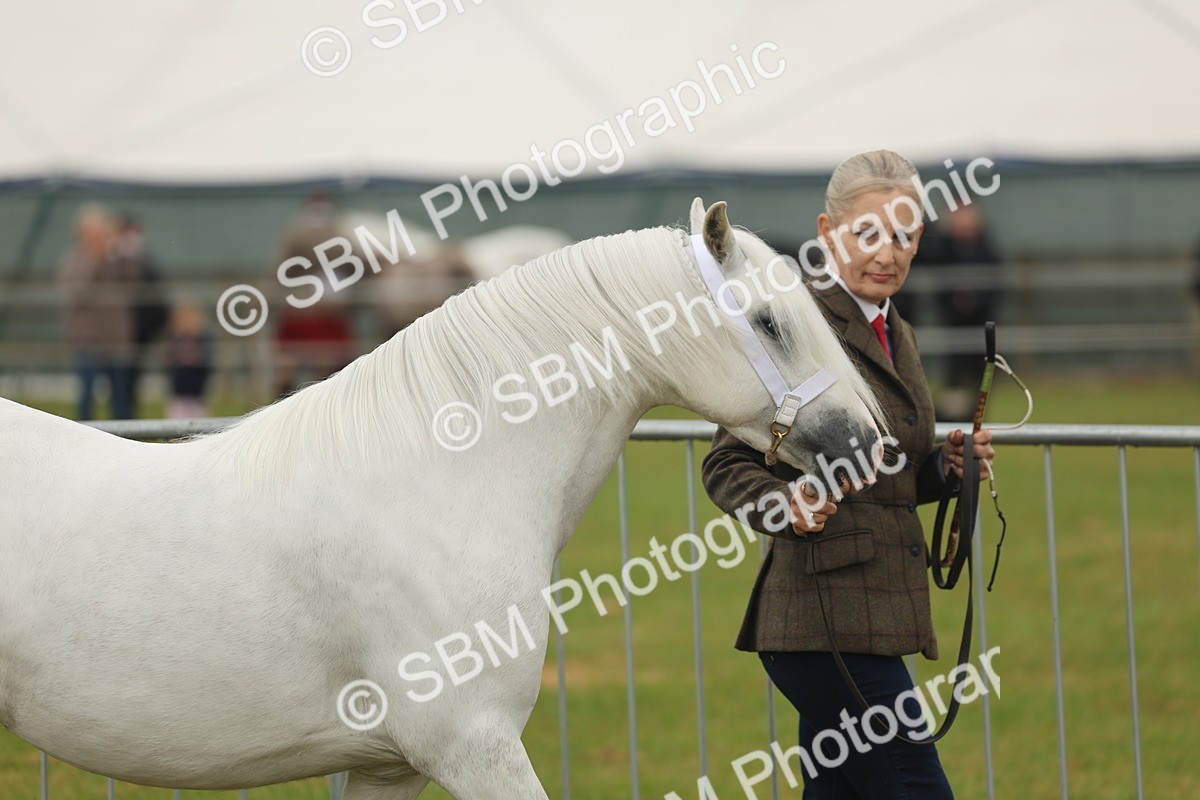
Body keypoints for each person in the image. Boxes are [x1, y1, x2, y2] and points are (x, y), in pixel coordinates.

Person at [701, 150, 995, 799]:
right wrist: (786, 503)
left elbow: (889, 482)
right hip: (821, 624)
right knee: (917, 787)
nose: (887, 252)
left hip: (878, 617)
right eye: (868, 234)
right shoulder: (795, 330)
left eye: (904, 234)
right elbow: (726, 461)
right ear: (828, 233)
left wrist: (946, 471)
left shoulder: (900, 332)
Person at [918, 203, 1002, 418]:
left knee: (979, 378)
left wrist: (975, 299)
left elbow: (996, 281)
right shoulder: (944, 246)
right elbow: (926, 257)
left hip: (980, 325)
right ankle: (952, 419)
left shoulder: (985, 247)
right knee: (954, 378)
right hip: (952, 324)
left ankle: (975, 418)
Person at [57, 203, 138, 420]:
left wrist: (122, 248)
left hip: (116, 340)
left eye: (102, 231)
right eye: (93, 232)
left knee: (121, 399)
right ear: (81, 234)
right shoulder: (72, 261)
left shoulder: (116, 258)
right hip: (87, 340)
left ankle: (124, 440)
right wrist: (96, 260)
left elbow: (133, 277)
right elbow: (75, 294)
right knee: (87, 398)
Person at [116, 213, 170, 416]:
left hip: (141, 331)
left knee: (130, 379)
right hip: (125, 331)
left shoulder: (145, 262)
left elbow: (156, 301)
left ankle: (127, 418)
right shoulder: (123, 259)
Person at [163, 302, 213, 419]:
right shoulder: (174, 340)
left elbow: (207, 365)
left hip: (197, 395)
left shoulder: (203, 340)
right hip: (179, 395)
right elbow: (167, 364)